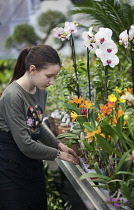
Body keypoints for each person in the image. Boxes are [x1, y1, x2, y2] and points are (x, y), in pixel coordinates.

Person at [0, 45, 79, 210]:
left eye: (54, 76)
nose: (52, 82)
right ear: (33, 69)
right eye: (49, 76)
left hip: (31, 164)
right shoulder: (13, 96)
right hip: (11, 166)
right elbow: (25, 144)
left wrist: (59, 144)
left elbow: (36, 125)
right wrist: (59, 154)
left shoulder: (40, 91)